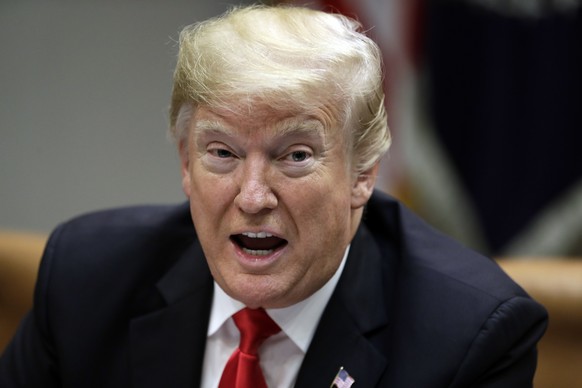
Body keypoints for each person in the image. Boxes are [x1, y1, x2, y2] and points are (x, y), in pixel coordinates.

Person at [0, 4, 547, 388]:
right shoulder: (85, 278)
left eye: (296, 156)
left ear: (363, 174)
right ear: (185, 164)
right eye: (222, 153)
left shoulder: (470, 337)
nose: (254, 196)